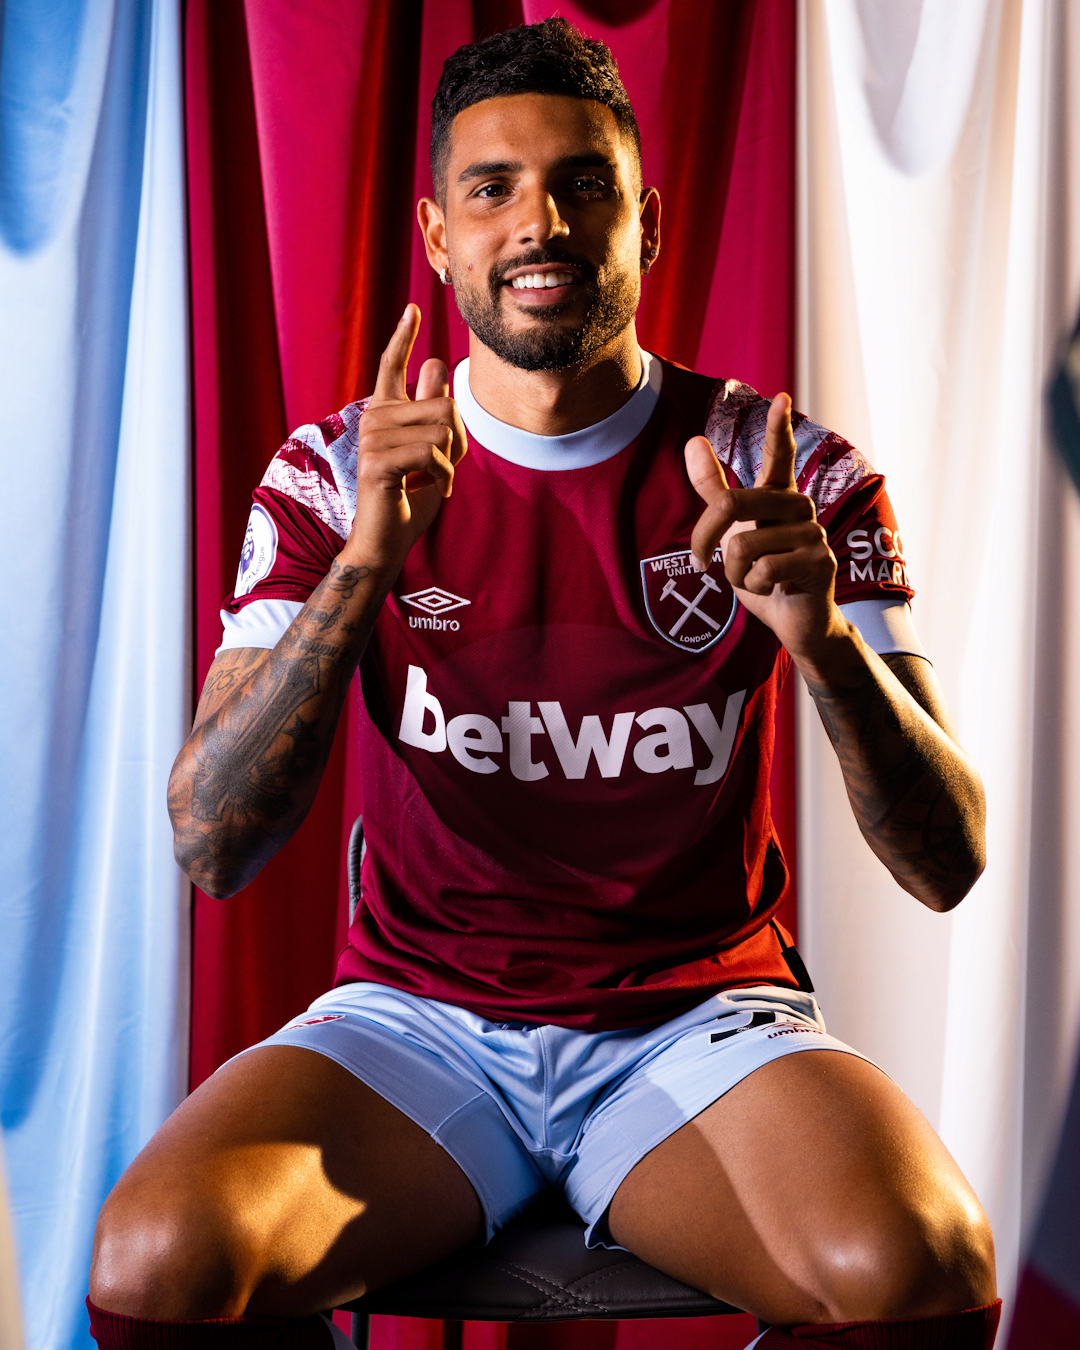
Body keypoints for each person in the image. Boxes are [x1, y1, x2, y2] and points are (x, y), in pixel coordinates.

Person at [87, 19, 999, 1350]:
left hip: (692, 1022)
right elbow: (211, 840)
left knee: (921, 1267)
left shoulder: (782, 469)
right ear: (437, 234)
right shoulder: (334, 476)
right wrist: (367, 566)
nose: (542, 223)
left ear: (648, 221)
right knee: (156, 1260)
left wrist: (824, 644)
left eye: (584, 183)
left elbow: (948, 860)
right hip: (420, 1023)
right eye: (493, 188)